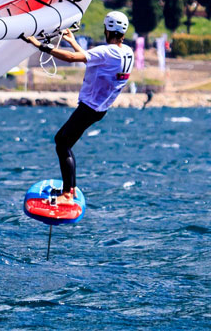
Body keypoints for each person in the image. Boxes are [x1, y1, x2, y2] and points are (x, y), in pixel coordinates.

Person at [23, 11, 134, 205]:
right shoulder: (127, 52)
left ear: (107, 30)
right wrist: (73, 41)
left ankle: (67, 193)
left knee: (62, 142)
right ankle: (70, 189)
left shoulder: (108, 52)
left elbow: (72, 58)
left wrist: (39, 45)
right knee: (64, 143)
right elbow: (89, 59)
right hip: (99, 109)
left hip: (89, 108)